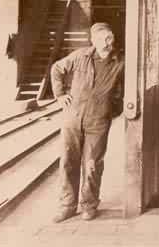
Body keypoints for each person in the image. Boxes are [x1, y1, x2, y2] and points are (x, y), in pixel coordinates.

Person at [50, 22, 124, 222]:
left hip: (98, 122)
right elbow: (56, 69)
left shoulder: (120, 62)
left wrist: (110, 110)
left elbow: (125, 91)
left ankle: (89, 205)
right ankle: (67, 205)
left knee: (92, 164)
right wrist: (59, 95)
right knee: (67, 162)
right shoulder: (80, 55)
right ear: (93, 40)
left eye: (109, 38)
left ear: (113, 39)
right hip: (72, 119)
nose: (105, 43)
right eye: (100, 39)